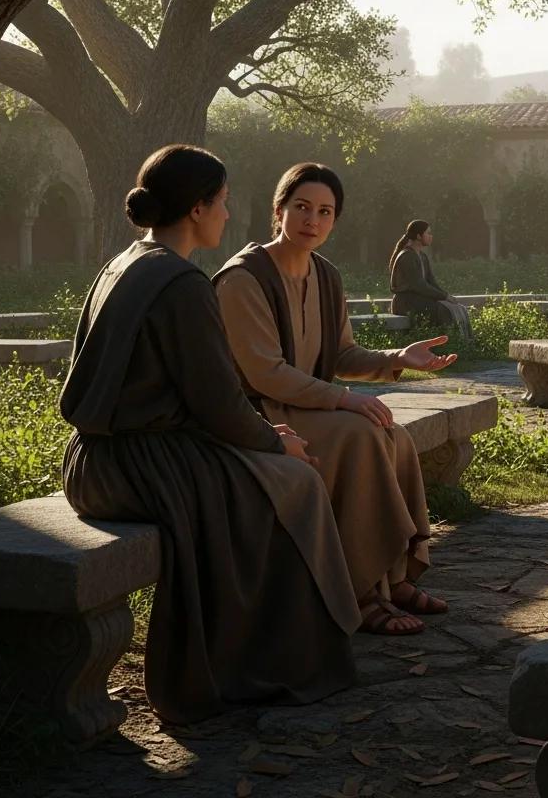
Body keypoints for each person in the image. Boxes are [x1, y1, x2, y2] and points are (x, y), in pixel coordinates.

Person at [59, 145, 360, 725]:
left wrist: (262, 434)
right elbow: (219, 403)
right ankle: (276, 657)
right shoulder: (180, 283)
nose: (227, 213)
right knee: (293, 482)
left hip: (94, 459)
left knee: (277, 477)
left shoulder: (123, 263)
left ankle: (304, 634)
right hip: (142, 465)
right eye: (221, 202)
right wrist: (277, 441)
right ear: (197, 209)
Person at [214, 164, 457, 637]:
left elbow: (341, 353)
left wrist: (397, 358)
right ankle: (360, 592)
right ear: (279, 209)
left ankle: (398, 577)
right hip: (261, 412)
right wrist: (344, 399)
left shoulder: (326, 275)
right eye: (302, 207)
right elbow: (266, 372)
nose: (312, 220)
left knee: (393, 435)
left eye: (325, 212)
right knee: (359, 437)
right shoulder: (243, 279)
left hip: (310, 404)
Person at [389, 220, 473, 339]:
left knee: (457, 308)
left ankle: (464, 343)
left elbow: (431, 282)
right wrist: (443, 297)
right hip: (407, 302)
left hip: (419, 300)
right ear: (418, 236)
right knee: (443, 310)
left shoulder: (422, 256)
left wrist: (447, 296)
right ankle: (444, 345)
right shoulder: (407, 256)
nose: (431, 236)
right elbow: (419, 285)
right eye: (428, 233)